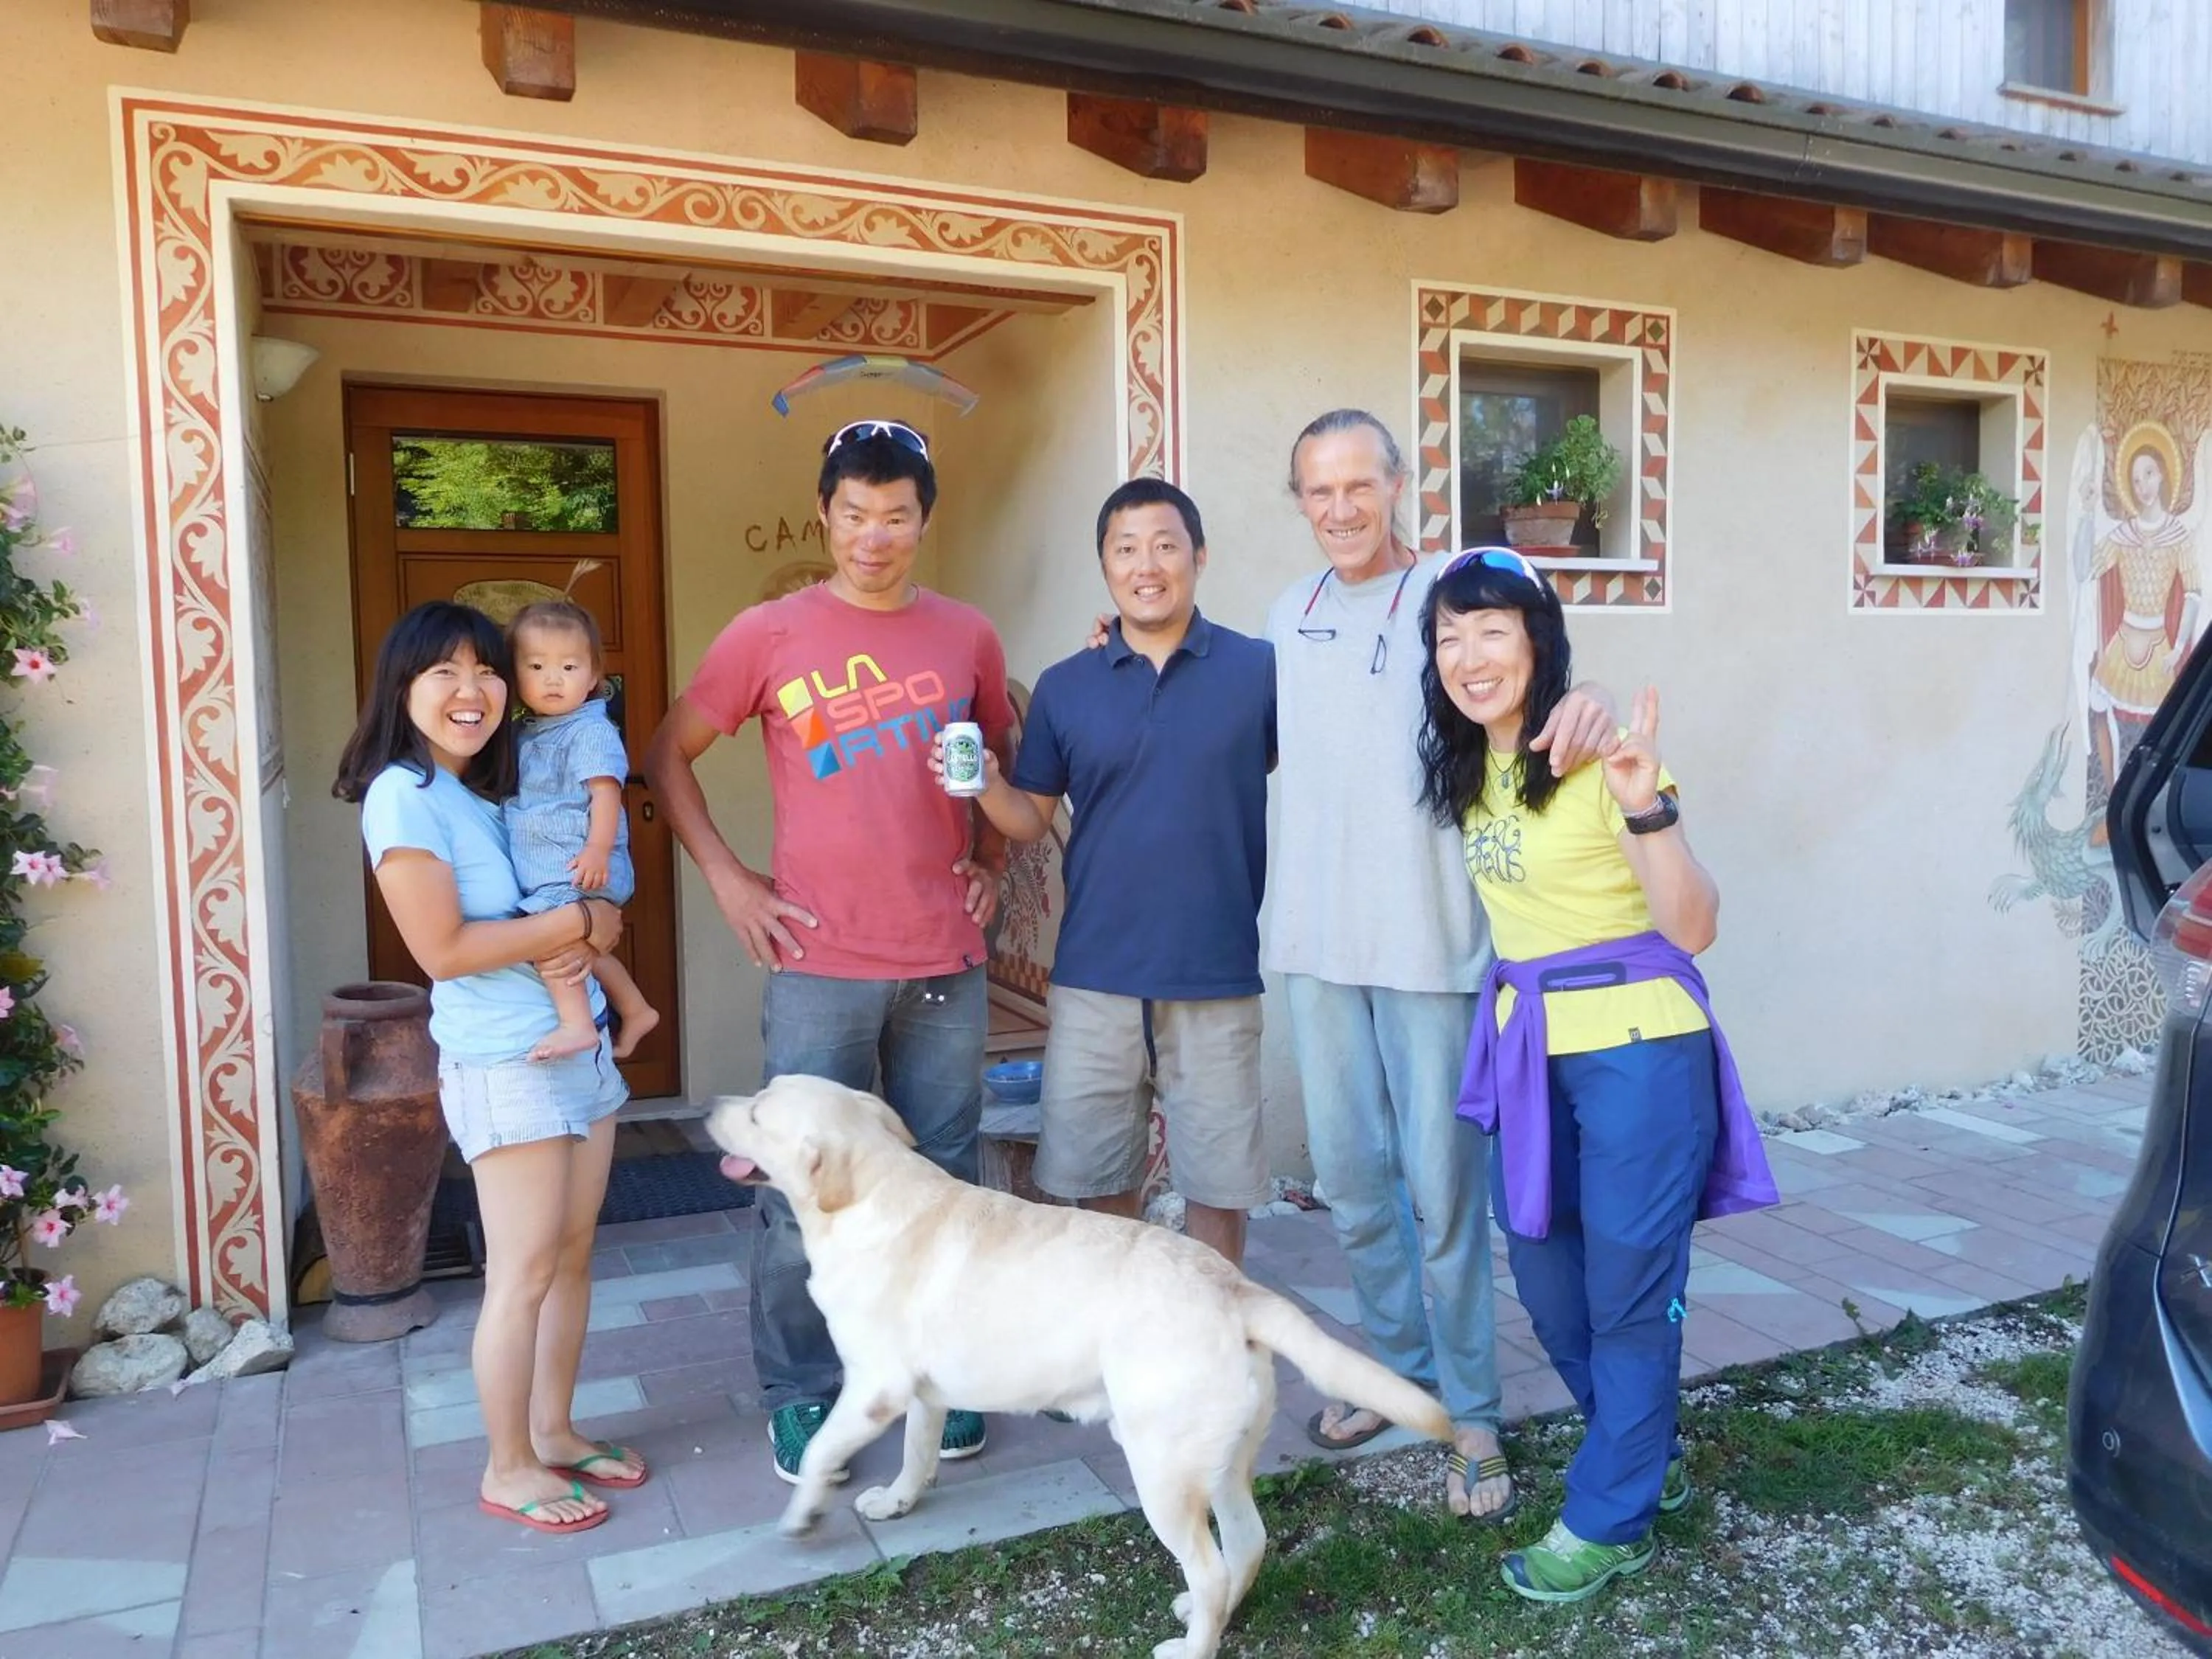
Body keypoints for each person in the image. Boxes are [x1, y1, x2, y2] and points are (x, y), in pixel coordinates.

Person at [643, 418, 1015, 1482]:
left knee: (943, 1181)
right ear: (826, 514)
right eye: (855, 513)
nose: (875, 535)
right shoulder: (769, 632)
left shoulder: (967, 637)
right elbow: (668, 752)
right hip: (817, 962)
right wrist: (728, 876)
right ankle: (805, 1393)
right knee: (797, 1186)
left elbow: (1000, 760)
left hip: (944, 955)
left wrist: (992, 855)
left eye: (897, 515)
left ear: (923, 521)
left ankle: (933, 1385)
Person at [1264, 409, 1618, 1522]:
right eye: (1316, 491)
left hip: (1433, 948)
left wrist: (1589, 704)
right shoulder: (1289, 613)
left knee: (1445, 1192)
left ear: (1401, 482)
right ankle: (1400, 1372)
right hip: (1316, 947)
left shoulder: (1447, 600)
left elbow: (1536, 677)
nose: (1339, 509)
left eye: (1358, 484)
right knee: (1355, 1184)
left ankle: (1472, 1409)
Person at [1415, 545, 1776, 1603]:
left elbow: (1694, 924)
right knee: (1549, 1280)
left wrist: (1644, 800)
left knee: (1627, 1290)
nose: (1470, 655)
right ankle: (1641, 1445)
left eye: (1494, 631)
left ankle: (1612, 1515)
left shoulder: (1609, 759)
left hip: (1639, 1051)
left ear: (1539, 644)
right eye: (1450, 635)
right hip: (1531, 1052)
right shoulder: (1469, 767)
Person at [334, 601, 648, 1537]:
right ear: (403, 688)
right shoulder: (403, 794)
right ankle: (508, 1466)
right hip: (506, 1059)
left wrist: (591, 937)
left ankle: (552, 1429)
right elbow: (444, 948)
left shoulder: (485, 788)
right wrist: (581, 925)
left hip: (575, 1037)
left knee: (576, 1251)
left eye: (484, 672)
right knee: (521, 1270)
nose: (470, 691)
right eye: (444, 673)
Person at [945, 479, 1274, 1265]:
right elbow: (1031, 816)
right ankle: (1116, 1364)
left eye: (1165, 545)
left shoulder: (1260, 671)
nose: (1147, 565)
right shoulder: (1068, 685)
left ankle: (1211, 1358)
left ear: (1199, 555)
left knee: (1219, 1190)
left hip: (1216, 971)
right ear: (1105, 566)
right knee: (1099, 1188)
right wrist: (988, 784)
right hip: (1095, 975)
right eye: (1125, 549)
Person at [503, 599, 659, 1062]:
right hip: (558, 865)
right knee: (571, 945)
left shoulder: (589, 731)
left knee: (549, 938)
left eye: (569, 666)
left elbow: (607, 794)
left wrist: (597, 849)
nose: (553, 678)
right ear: (515, 676)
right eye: (537, 665)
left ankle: (577, 1025)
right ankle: (635, 1007)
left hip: (578, 864)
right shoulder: (530, 731)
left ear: (593, 678)